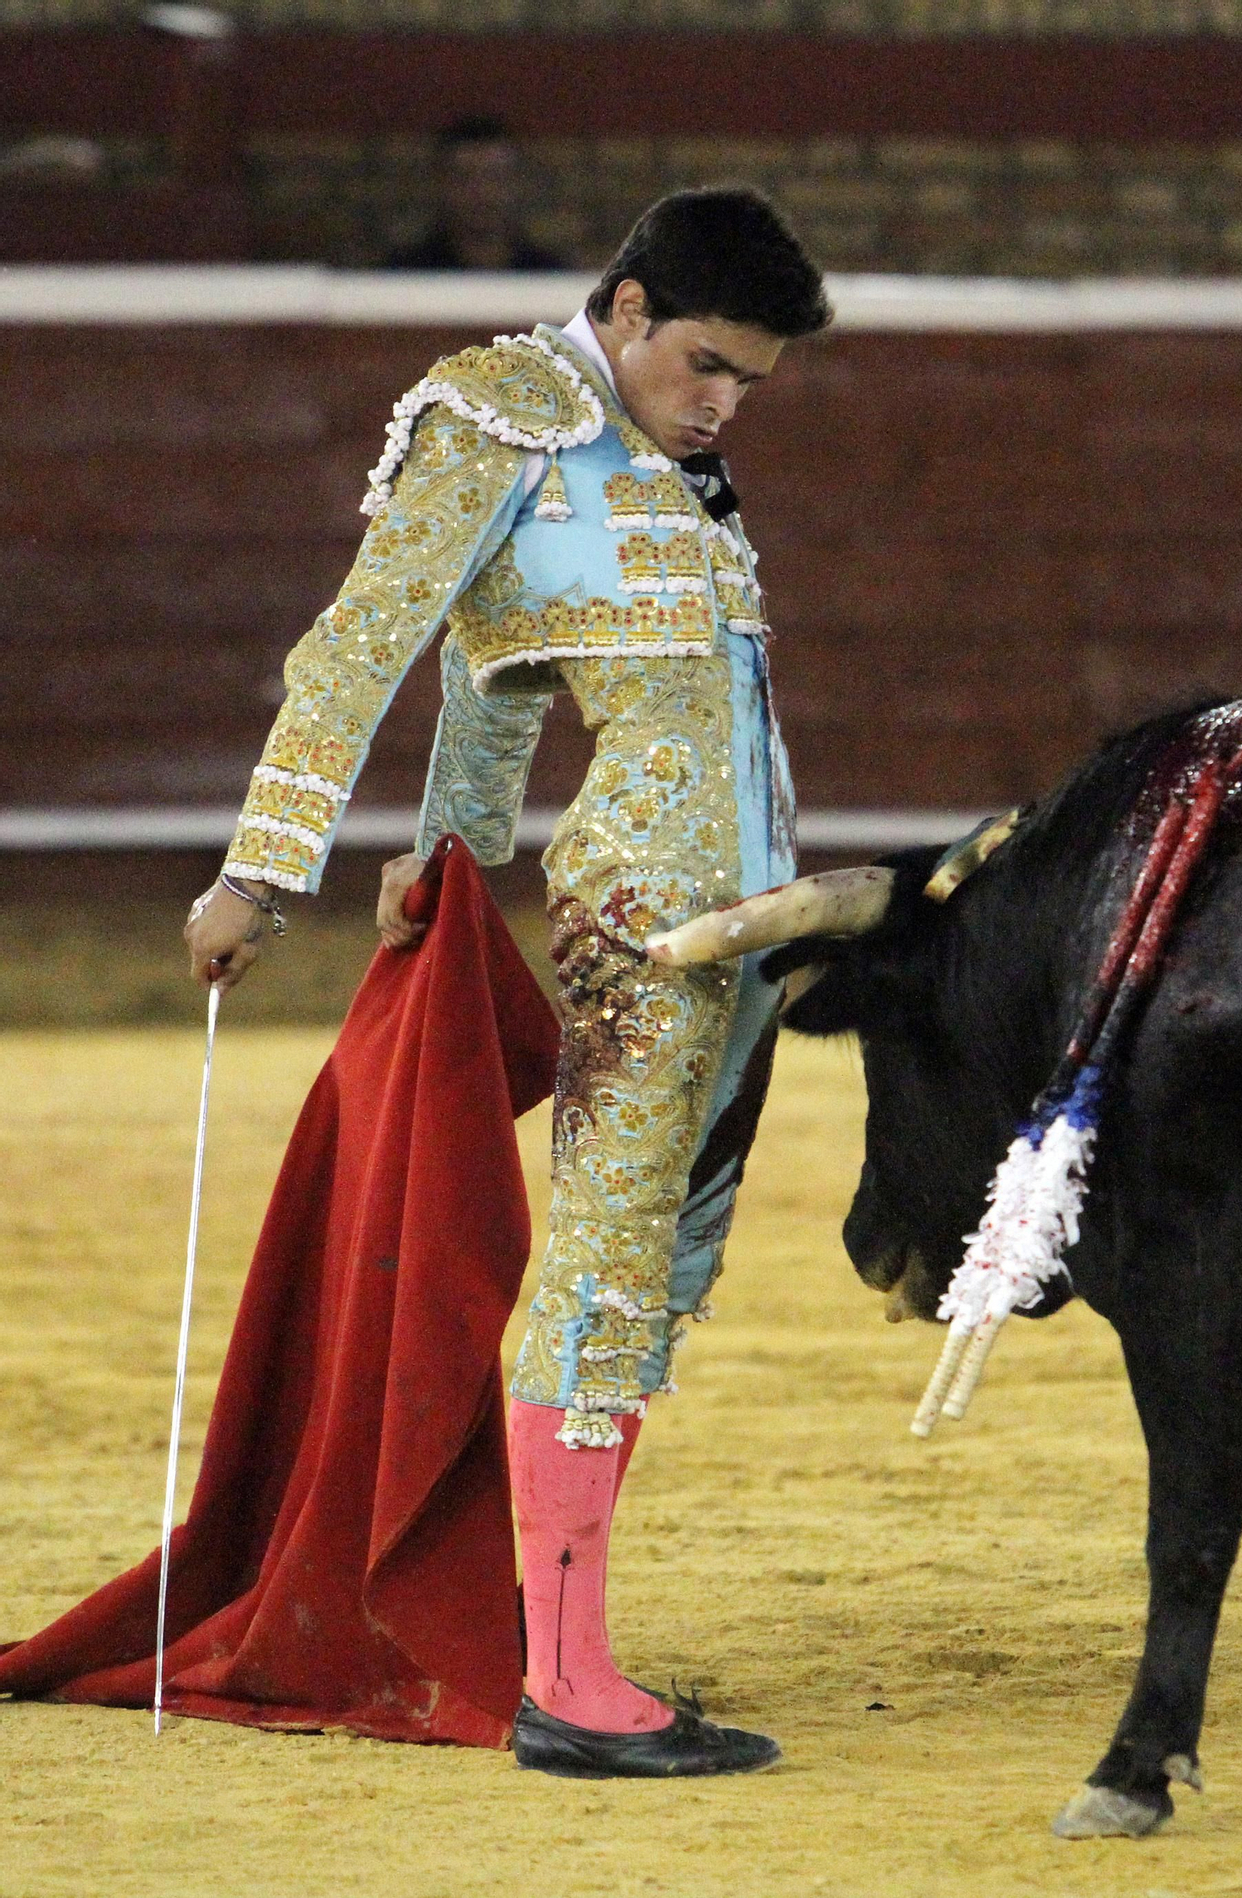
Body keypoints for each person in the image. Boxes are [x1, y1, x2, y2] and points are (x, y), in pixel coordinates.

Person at [184, 187, 832, 1777]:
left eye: (746, 380)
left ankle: (563, 1629)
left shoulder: (664, 466)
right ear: (620, 308)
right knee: (606, 1273)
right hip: (643, 923)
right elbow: (365, 646)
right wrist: (264, 868)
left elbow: (500, 680)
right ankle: (569, 1680)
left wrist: (457, 848)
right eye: (700, 364)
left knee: (660, 1267)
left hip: (743, 930)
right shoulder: (500, 417)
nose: (720, 402)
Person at [386, 117, 566, 272]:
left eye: (495, 177)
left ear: (517, 184)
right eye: (465, 178)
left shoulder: (549, 276)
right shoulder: (406, 275)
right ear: (441, 185)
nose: (482, 192)